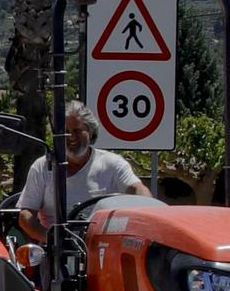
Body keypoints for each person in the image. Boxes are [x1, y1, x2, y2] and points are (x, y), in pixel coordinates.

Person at [16, 101, 149, 240]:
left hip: (101, 247)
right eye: (65, 132)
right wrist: (52, 240)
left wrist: (148, 211)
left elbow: (136, 189)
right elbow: (26, 215)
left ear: (90, 132)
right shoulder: (42, 167)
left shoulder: (112, 164)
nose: (71, 137)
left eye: (77, 131)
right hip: (55, 253)